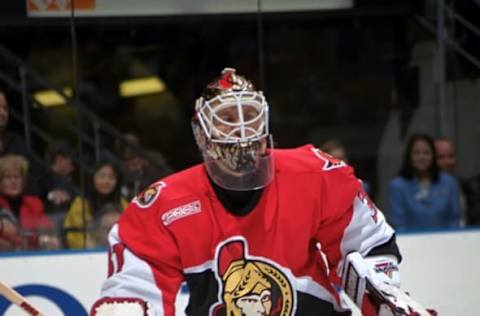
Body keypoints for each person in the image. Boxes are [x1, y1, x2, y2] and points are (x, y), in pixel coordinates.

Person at [90, 68, 434, 316]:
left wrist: (385, 297)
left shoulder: (314, 174)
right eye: (226, 117)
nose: (240, 126)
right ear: (201, 132)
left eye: (249, 115)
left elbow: (368, 243)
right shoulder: (164, 204)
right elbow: (135, 290)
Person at [388, 133, 461, 230]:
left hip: (447, 241)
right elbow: (399, 224)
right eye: (416, 153)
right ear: (409, 156)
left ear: (433, 156)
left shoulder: (449, 183)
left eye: (426, 153)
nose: (421, 157)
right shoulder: (397, 186)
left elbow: (454, 220)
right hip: (410, 243)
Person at [63, 160, 128, 249]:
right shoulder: (81, 203)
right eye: (102, 176)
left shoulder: (123, 203)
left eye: (111, 177)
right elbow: (74, 235)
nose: (106, 181)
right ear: (92, 178)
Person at [0, 154, 59, 251]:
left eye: (17, 177)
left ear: (23, 181)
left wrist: (46, 239)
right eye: (8, 177)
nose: (13, 181)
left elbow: (45, 229)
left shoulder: (34, 204)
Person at [115, 132, 172, 199]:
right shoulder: (119, 165)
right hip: (130, 199)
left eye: (132, 145)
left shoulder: (153, 157)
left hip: (155, 195)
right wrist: (129, 169)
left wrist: (146, 165)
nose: (129, 149)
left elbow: (168, 174)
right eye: (125, 146)